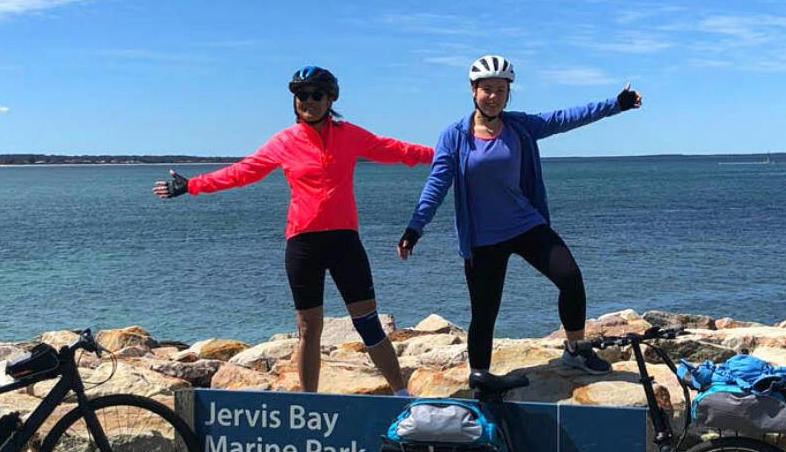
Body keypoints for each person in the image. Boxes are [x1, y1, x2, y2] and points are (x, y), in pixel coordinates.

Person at [154, 66, 433, 394]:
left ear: (331, 99)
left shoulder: (349, 135)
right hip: (303, 244)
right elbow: (244, 171)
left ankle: (401, 395)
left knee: (368, 323)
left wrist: (446, 155)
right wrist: (193, 185)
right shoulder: (284, 141)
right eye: (302, 95)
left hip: (344, 241)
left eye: (317, 95)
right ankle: (309, 404)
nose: (308, 101)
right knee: (308, 328)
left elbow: (397, 150)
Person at [397, 54, 642, 381]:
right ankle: (481, 377)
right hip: (483, 239)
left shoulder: (519, 127)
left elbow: (565, 117)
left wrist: (616, 104)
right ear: (473, 90)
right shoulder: (455, 136)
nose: (494, 96)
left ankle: (574, 350)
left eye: (501, 89)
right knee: (484, 312)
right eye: (487, 89)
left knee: (570, 278)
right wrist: (415, 227)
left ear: (508, 92)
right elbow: (437, 184)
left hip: (526, 225)